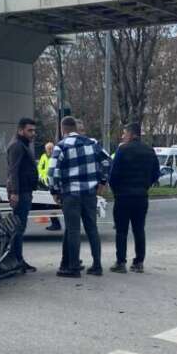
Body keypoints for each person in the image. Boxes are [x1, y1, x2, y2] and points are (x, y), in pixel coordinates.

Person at [49, 116, 110, 278]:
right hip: (90, 194)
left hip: (71, 195)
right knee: (92, 229)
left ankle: (73, 267)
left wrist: (54, 191)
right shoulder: (92, 143)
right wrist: (102, 181)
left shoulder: (61, 147)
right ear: (75, 127)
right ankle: (97, 265)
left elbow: (52, 172)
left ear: (63, 129)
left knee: (73, 230)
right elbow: (107, 161)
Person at [108, 122, 161, 273]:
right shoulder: (149, 150)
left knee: (121, 231)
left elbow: (113, 175)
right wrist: (145, 185)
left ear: (131, 134)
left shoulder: (122, 150)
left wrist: (116, 190)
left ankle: (120, 262)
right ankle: (139, 262)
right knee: (139, 229)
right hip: (141, 196)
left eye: (124, 133)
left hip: (123, 196)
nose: (122, 136)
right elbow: (156, 173)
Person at [6, 117, 39, 272]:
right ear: (20, 130)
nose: (33, 133)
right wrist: (14, 193)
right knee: (18, 227)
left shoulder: (24, 144)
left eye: (34, 130)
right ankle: (15, 260)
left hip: (25, 191)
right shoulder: (17, 146)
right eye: (29, 130)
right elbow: (13, 170)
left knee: (20, 227)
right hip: (21, 193)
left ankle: (18, 259)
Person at [36, 141, 62, 231]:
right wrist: (42, 177)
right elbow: (40, 168)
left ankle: (56, 223)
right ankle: (55, 223)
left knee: (52, 204)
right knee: (50, 204)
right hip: (45, 183)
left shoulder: (57, 156)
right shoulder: (44, 157)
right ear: (46, 150)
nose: (50, 150)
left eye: (52, 148)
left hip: (55, 182)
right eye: (48, 149)